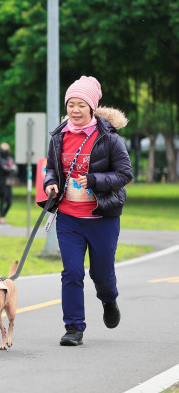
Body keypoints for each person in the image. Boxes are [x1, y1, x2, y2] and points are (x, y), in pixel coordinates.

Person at [39, 76, 133, 346]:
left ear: (92, 107)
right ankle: (73, 328)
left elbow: (125, 174)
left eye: (81, 105)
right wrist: (50, 183)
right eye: (71, 104)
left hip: (102, 217)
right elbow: (51, 168)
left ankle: (109, 299)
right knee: (72, 272)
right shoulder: (58, 137)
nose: (75, 110)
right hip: (69, 217)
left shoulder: (109, 139)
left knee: (101, 274)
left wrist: (93, 180)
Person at [0, 142, 17, 227]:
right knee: (3, 200)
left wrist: (9, 168)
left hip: (9, 182)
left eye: (5, 150)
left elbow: (16, 170)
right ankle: (1, 220)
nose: (4, 151)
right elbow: (3, 168)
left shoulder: (10, 158)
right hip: (1, 182)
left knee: (9, 202)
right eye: (2, 150)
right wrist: (10, 168)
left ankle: (2, 218)